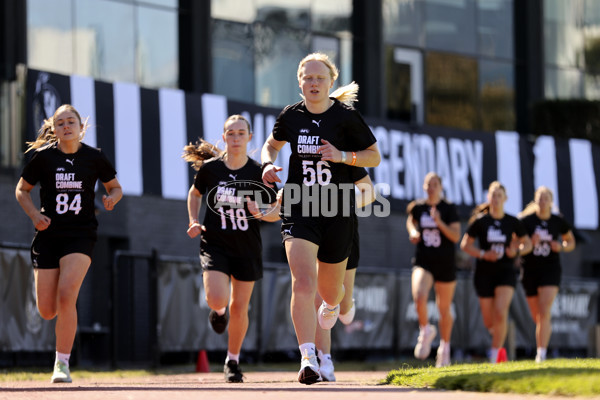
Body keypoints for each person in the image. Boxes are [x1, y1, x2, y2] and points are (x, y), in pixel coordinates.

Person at [261, 52, 381, 384]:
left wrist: (343, 156)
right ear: (299, 82)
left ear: (330, 82)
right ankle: (308, 357)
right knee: (302, 281)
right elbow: (270, 147)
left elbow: (374, 156)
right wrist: (268, 164)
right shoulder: (290, 116)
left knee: (331, 294)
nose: (313, 84)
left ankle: (335, 304)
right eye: (308, 78)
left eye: (320, 78)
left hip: (337, 210)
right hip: (300, 205)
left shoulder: (346, 118)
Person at [15, 104, 122, 383]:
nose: (66, 126)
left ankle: (61, 363)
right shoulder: (43, 158)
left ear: (80, 126)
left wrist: (113, 198)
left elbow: (115, 186)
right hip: (48, 234)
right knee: (47, 310)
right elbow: (21, 190)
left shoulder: (94, 157)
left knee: (67, 296)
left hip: (81, 235)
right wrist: (34, 215)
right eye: (60, 122)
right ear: (54, 129)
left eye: (70, 121)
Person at [185, 115, 278, 383]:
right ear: (224, 137)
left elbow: (278, 210)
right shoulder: (211, 169)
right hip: (215, 244)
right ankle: (219, 312)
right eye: (231, 133)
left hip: (247, 248)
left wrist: (260, 211)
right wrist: (193, 220)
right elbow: (194, 194)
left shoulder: (259, 172)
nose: (236, 138)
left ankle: (232, 360)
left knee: (241, 307)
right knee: (217, 299)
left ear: (249, 138)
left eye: (241, 133)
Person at [314, 169, 376, 382]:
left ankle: (346, 303)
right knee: (318, 295)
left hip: (344, 228)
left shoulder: (345, 157)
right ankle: (324, 359)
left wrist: (342, 204)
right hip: (312, 227)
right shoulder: (304, 157)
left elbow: (370, 193)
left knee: (345, 309)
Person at [460, 181, 532, 363]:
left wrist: (515, 251)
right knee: (489, 321)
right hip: (484, 273)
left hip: (506, 272)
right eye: (493, 195)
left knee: (501, 312)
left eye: (500, 195)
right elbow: (465, 245)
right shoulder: (480, 222)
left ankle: (495, 354)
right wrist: (484, 254)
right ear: (488, 197)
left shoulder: (513, 222)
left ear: (505, 199)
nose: (496, 199)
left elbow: (528, 244)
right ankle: (498, 344)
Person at [406, 172, 461, 367]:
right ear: (424, 187)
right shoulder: (419, 207)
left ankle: (444, 348)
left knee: (443, 308)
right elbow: (411, 220)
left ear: (441, 187)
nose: (431, 188)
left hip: (445, 263)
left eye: (435, 184)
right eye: (428, 184)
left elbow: (455, 236)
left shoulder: (448, 208)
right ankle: (425, 330)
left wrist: (438, 222)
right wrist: (413, 232)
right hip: (424, 261)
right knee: (419, 296)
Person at [518, 186, 575, 362]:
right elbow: (516, 245)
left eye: (545, 199)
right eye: (539, 199)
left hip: (550, 270)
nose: (542, 202)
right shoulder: (526, 221)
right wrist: (528, 243)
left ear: (551, 202)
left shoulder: (558, 221)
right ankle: (542, 344)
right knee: (538, 316)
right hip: (530, 271)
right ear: (535, 201)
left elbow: (570, 241)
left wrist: (561, 247)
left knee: (544, 311)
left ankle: (540, 354)